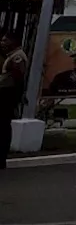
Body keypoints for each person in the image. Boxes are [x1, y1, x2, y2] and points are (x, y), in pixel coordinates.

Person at [1, 32, 29, 170]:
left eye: (5, 41)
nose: (2, 43)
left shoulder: (17, 56)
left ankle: (1, 158)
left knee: (3, 126)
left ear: (13, 41)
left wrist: (17, 97)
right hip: (6, 94)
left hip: (8, 95)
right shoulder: (11, 55)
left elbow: (18, 79)